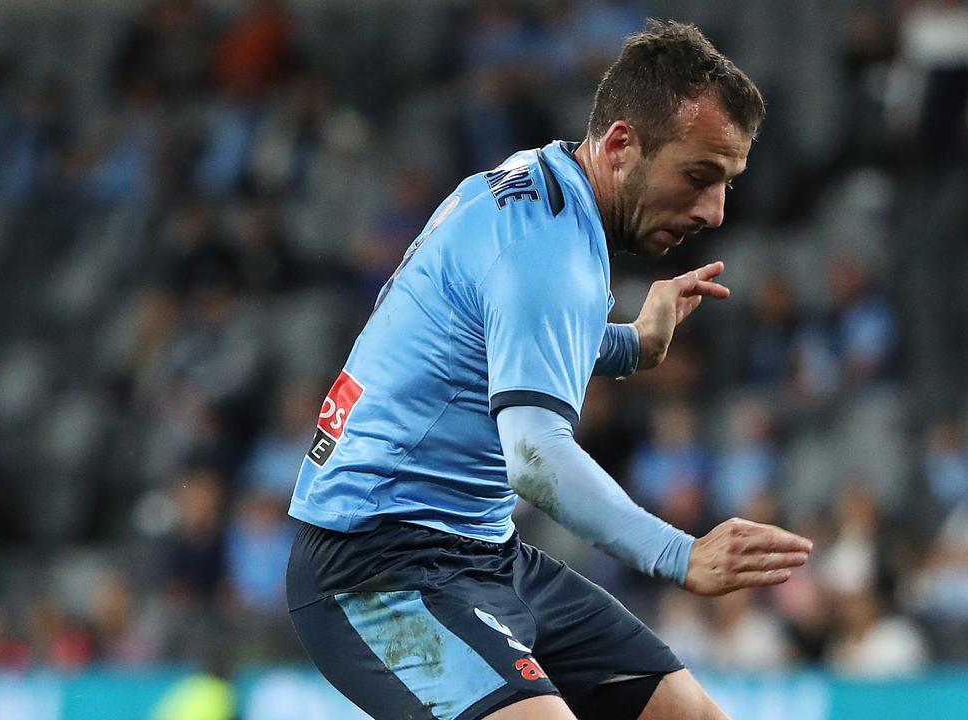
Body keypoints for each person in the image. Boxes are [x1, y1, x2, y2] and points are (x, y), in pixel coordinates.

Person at [285, 20, 813, 720]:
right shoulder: (548, 250)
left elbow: (502, 333)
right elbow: (533, 457)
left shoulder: (547, 186)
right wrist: (680, 555)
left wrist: (630, 346)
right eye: (698, 176)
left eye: (727, 185)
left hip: (482, 551)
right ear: (622, 144)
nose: (714, 212)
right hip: (379, 566)